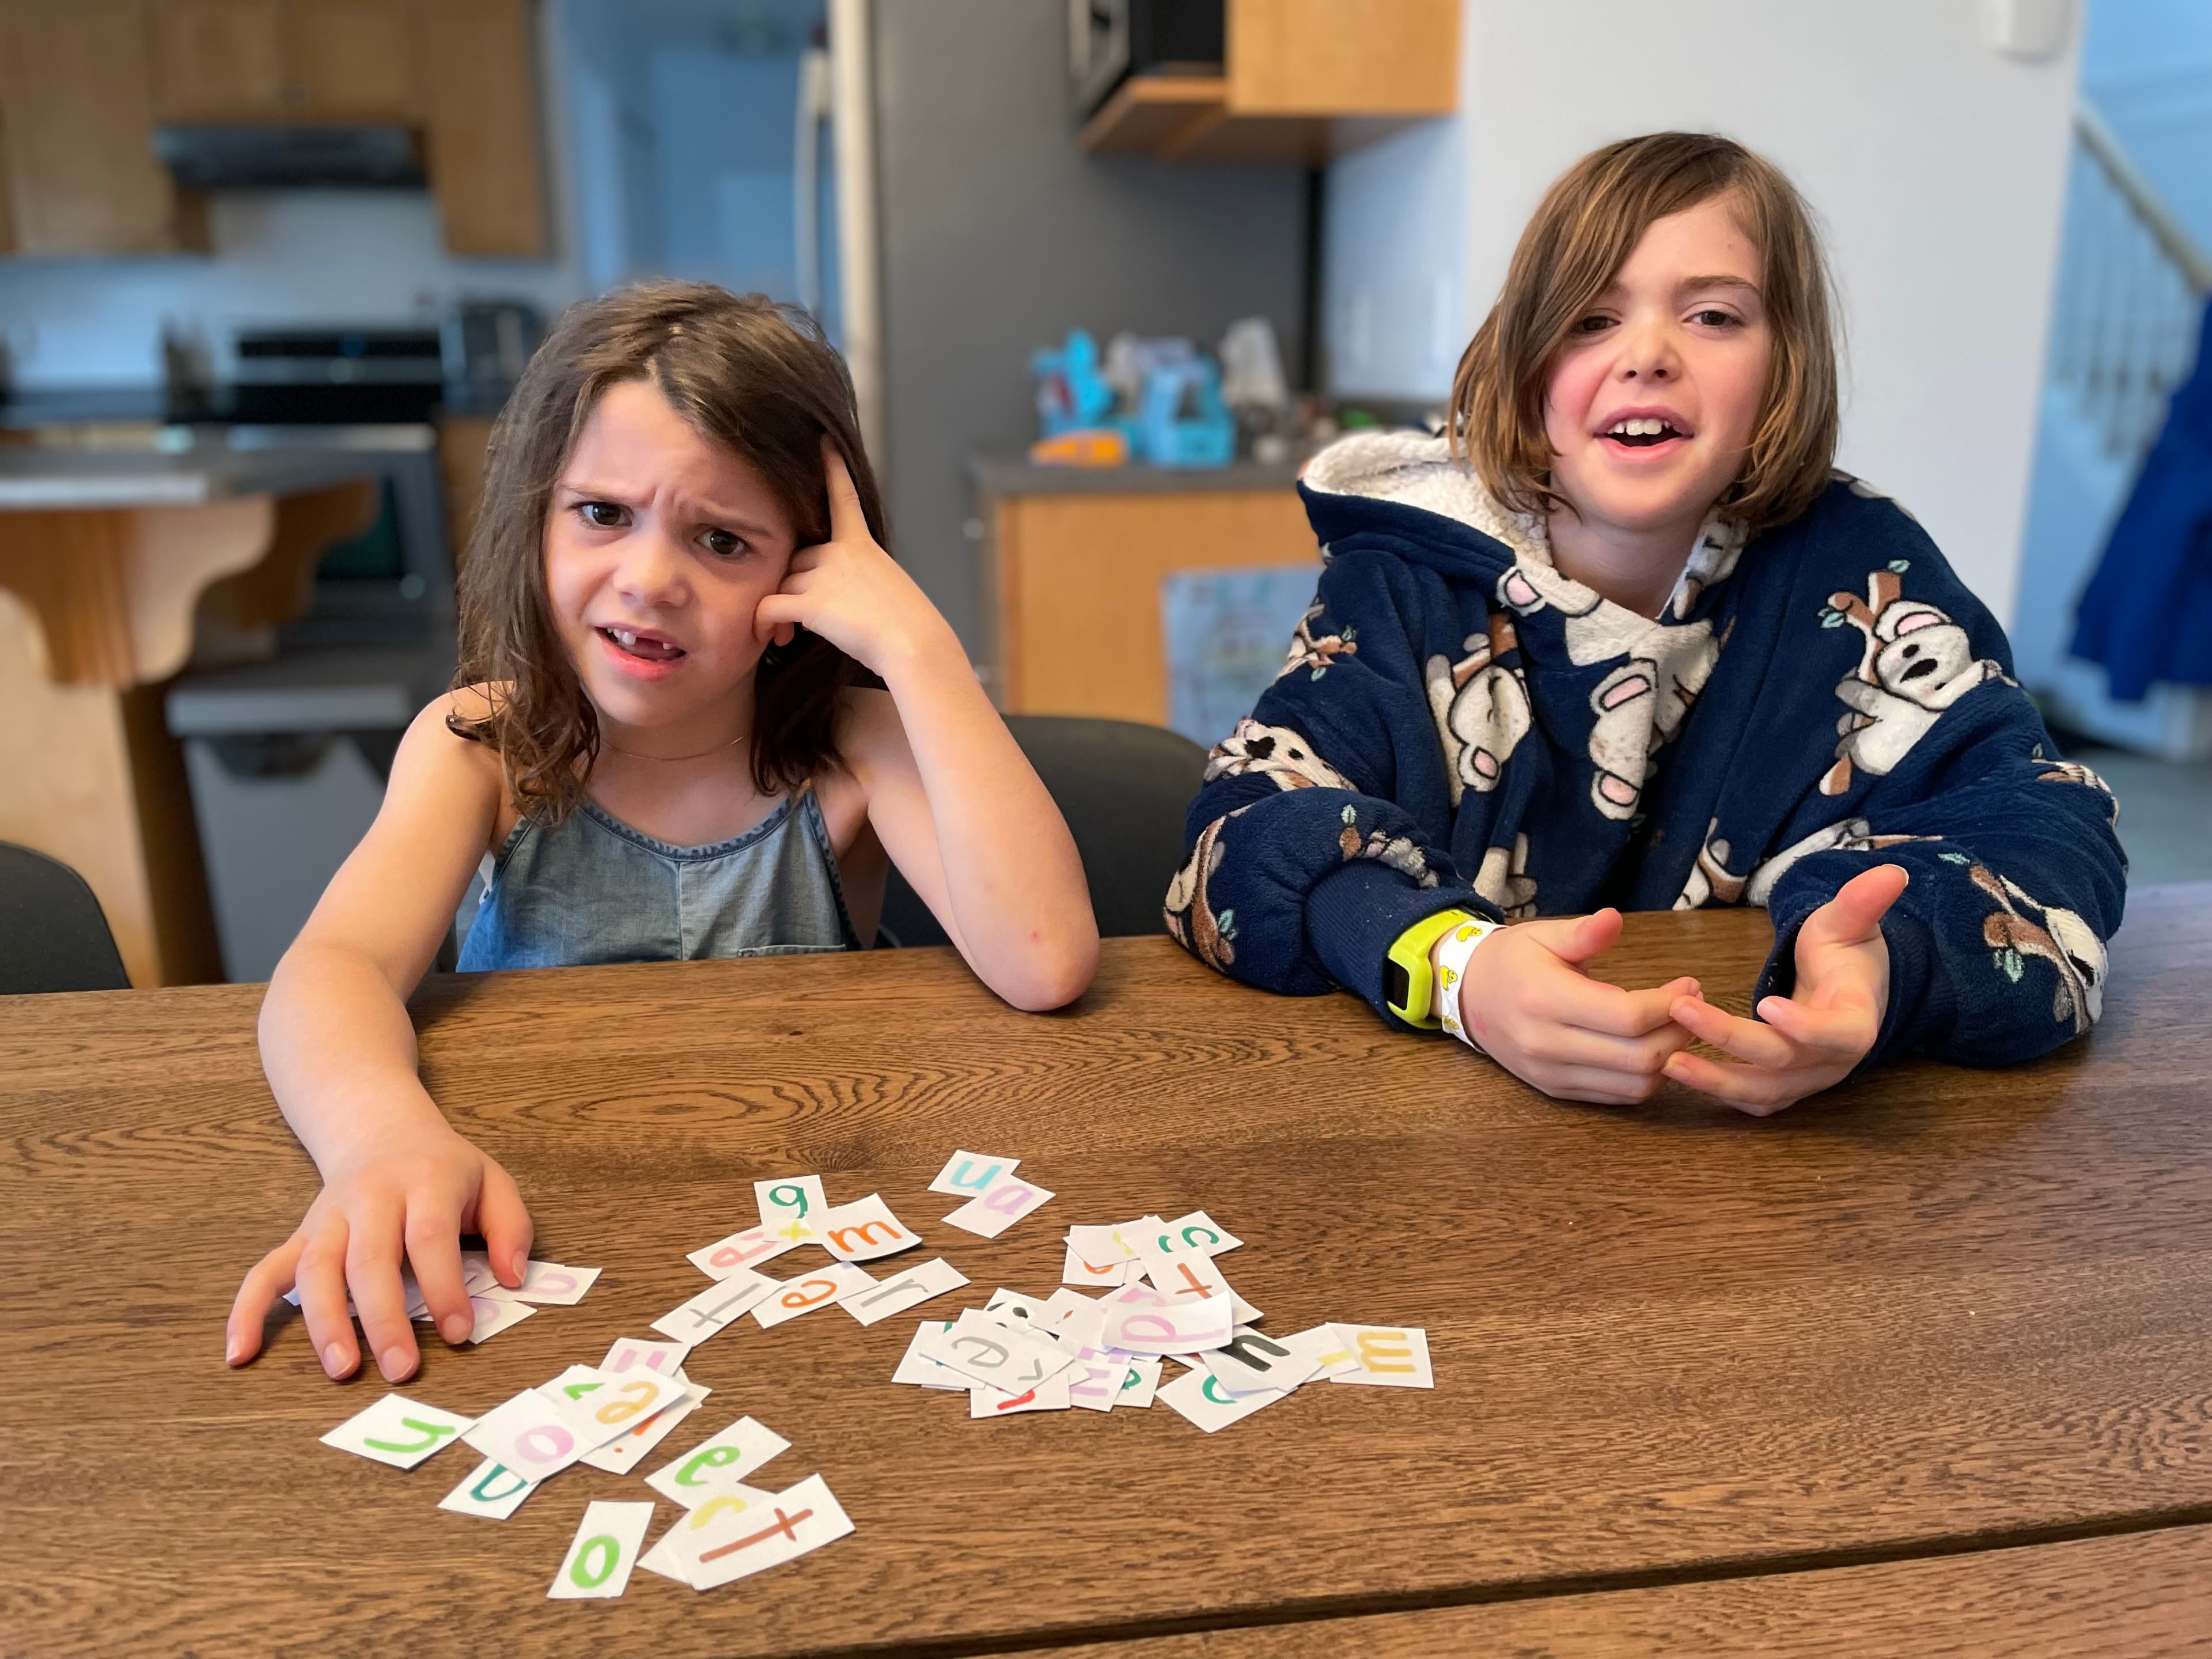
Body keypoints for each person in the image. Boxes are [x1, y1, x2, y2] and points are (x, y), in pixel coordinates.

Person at [228, 282, 1097, 1383]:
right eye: (601, 513)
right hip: (535, 1257)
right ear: (535, 516)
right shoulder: (478, 748)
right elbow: (332, 968)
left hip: (814, 1286)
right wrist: (377, 1139)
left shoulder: (857, 746)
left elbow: (1046, 961)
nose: (649, 579)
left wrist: (916, 646)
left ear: (810, 571)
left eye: (722, 540)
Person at [1166, 132, 2124, 1115]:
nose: (1648, 356)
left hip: (1753, 1176)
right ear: (1526, 366)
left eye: (1714, 315)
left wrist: (1886, 969)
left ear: (1784, 368)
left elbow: (2047, 825)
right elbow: (1243, 832)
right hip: (1432, 1136)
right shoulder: (1402, 582)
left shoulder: (1865, 573)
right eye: (1590, 319)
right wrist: (1455, 970)